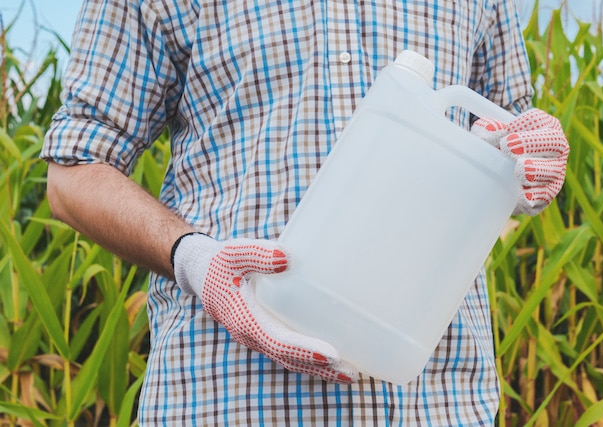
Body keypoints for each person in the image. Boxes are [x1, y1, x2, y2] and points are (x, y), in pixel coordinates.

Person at [42, 0, 569, 424]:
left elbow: (508, 143)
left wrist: (534, 159)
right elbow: (73, 173)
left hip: (435, 401)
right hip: (226, 396)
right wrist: (195, 260)